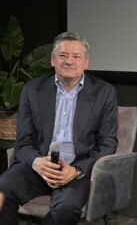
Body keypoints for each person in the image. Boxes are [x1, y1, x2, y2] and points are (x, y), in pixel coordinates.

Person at [0, 32, 118, 225]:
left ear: (86, 62)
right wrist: (37, 162)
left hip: (76, 171)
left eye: (76, 56)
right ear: (53, 60)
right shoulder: (33, 90)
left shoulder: (104, 93)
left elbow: (108, 144)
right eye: (63, 56)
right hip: (39, 167)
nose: (69, 61)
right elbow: (23, 142)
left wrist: (77, 170)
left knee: (65, 209)